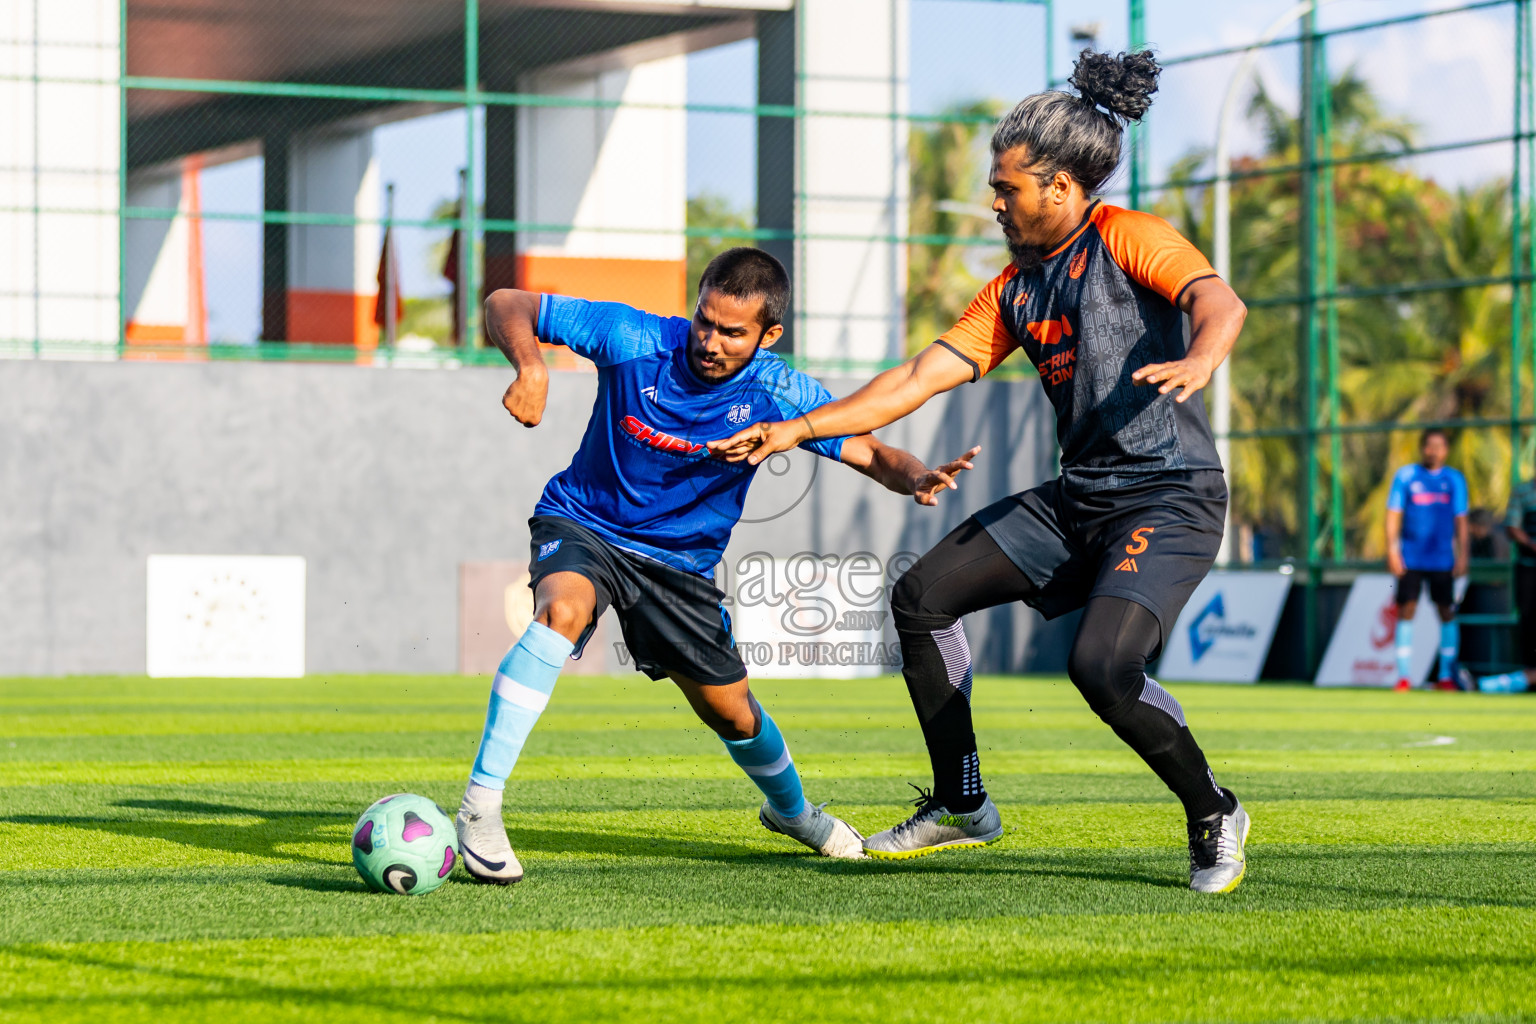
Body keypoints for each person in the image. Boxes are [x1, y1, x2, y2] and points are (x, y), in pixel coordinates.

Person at [711, 51, 1250, 893]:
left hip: (1170, 494)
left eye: (1008, 189)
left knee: (1102, 668)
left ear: (1064, 188)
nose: (994, 203)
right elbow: (915, 380)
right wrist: (797, 429)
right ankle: (963, 804)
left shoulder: (1129, 236)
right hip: (1081, 498)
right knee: (922, 596)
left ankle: (1213, 810)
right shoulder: (1011, 290)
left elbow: (1219, 304)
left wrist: (1204, 359)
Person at [456, 247, 979, 884]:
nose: (710, 341)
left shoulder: (779, 390)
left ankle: (792, 812)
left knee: (731, 711)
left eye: (732, 332)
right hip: (584, 523)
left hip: (679, 567)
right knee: (562, 609)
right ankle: (480, 807)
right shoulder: (634, 335)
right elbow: (505, 303)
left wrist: (917, 476)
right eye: (705, 320)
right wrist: (531, 365)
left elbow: (869, 453)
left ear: (768, 335)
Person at [1385, 428, 1468, 691]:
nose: (1434, 451)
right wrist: (1391, 549)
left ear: (1446, 450)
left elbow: (1461, 520)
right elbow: (1393, 514)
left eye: (1439, 446)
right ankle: (1403, 677)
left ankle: (1446, 675)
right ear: (1423, 448)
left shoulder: (1454, 479)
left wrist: (1463, 553)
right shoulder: (1407, 476)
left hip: (1442, 559)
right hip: (1411, 557)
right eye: (1429, 446)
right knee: (1406, 609)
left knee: (1446, 611)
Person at [1505, 477, 1536, 669]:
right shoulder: (1523, 491)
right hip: (1528, 568)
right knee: (1529, 617)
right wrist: (1531, 544)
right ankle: (1530, 671)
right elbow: (1511, 527)